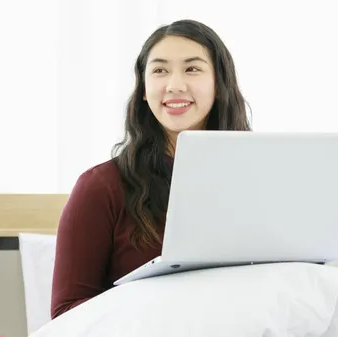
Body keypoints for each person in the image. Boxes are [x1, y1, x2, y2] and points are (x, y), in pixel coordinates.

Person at [50, 19, 251, 319]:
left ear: (219, 85)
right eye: (159, 70)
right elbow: (66, 313)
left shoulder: (256, 178)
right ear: (144, 89)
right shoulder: (100, 186)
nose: (174, 85)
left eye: (192, 69)